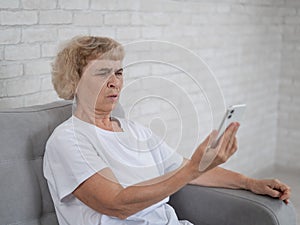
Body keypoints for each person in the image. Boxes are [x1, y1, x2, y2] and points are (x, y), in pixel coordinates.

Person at [43, 36, 291, 225]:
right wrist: (194, 168)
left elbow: (184, 169)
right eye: (102, 73)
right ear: (74, 82)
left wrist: (249, 183)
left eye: (118, 72)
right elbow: (118, 205)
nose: (114, 82)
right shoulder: (68, 140)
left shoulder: (135, 131)